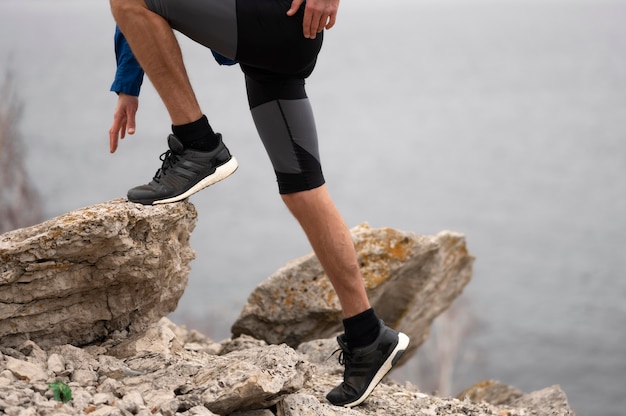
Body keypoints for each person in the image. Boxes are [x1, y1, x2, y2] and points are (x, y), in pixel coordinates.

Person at [107, 0, 409, 407]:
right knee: (303, 190)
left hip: (275, 22)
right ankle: (368, 335)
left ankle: (199, 144)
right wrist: (129, 83)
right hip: (274, 45)